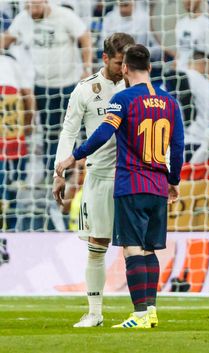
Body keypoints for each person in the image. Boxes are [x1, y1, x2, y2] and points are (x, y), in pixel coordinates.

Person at [55, 44, 185, 328]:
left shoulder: (124, 99)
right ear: (149, 67)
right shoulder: (171, 102)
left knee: (132, 249)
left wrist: (73, 156)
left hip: (131, 183)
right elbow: (177, 147)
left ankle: (138, 315)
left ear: (125, 69)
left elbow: (103, 133)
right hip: (158, 184)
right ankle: (150, 312)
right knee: (150, 249)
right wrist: (173, 181)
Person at [53, 33, 135, 327]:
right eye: (117, 62)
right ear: (104, 58)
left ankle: (143, 312)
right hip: (99, 177)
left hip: (132, 177)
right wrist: (58, 172)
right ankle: (95, 313)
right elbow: (69, 131)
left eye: (127, 61)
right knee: (97, 244)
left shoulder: (138, 86)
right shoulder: (86, 90)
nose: (123, 67)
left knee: (137, 247)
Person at [0, 0, 92, 182]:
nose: (32, 10)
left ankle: (71, 176)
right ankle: (53, 174)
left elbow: (85, 36)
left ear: (45, 2)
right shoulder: (24, 18)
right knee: (50, 132)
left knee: (70, 131)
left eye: (35, 6)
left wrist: (86, 67)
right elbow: (7, 39)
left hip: (69, 83)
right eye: (28, 6)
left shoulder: (64, 16)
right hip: (42, 85)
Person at [0, 49, 35, 230]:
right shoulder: (13, 60)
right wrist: (28, 125)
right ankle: (11, 225)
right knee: (12, 179)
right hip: (10, 102)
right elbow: (28, 96)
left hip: (9, 102)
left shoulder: (13, 60)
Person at [175, 0, 209, 81]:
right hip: (178, 77)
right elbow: (179, 53)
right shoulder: (180, 23)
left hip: (196, 79)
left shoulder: (207, 23)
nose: (188, 1)